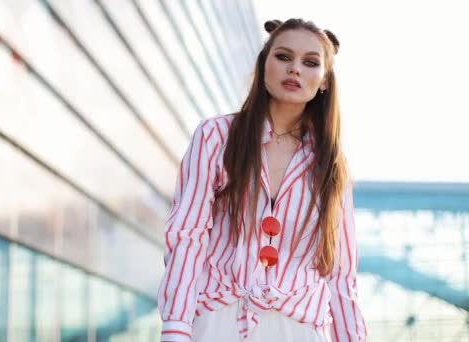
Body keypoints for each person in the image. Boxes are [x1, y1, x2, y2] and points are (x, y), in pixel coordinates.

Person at [157, 18, 367, 342]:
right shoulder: (216, 137)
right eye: (283, 57)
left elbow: (340, 274)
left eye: (310, 62)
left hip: (300, 329)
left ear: (324, 81)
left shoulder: (332, 165)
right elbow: (188, 237)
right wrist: (175, 329)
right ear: (264, 64)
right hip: (218, 321)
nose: (294, 69)